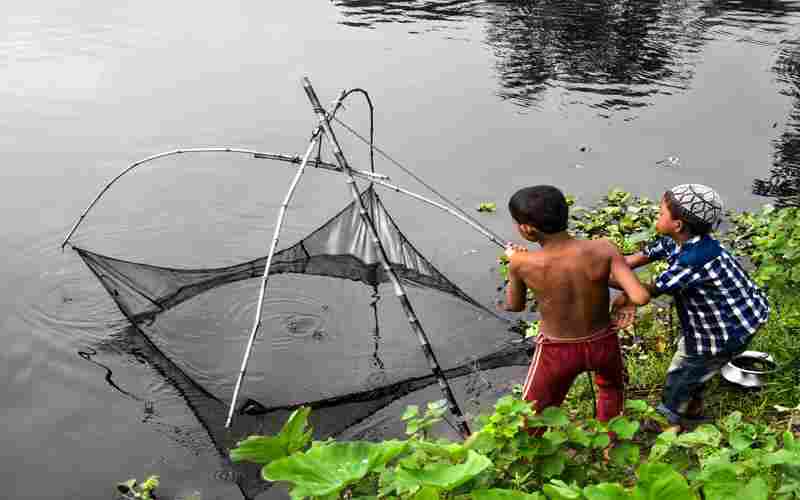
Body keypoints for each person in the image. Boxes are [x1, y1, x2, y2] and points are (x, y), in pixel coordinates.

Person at [612, 184, 770, 430]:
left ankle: (666, 420)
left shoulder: (694, 259)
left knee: (684, 372)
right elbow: (635, 260)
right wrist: (614, 264)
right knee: (697, 370)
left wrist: (597, 275)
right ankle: (693, 409)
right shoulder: (677, 241)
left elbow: (643, 292)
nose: (656, 214)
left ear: (678, 224)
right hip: (731, 316)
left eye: (661, 212)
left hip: (726, 329)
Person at [503, 185, 650, 422]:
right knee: (612, 390)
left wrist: (515, 261)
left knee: (532, 413)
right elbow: (641, 296)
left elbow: (515, 306)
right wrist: (625, 303)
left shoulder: (521, 263)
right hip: (603, 342)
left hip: (557, 350)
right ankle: (610, 445)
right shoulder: (604, 248)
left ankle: (529, 452)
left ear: (527, 229)